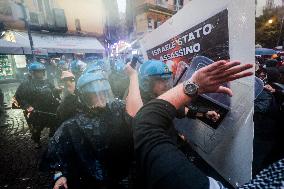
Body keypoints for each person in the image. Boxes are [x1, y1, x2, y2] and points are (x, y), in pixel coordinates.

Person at [133, 60, 284, 188]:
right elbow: (141, 120)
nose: (166, 85)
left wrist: (203, 114)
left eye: (168, 79)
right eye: (160, 80)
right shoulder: (140, 104)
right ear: (146, 84)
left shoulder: (161, 102)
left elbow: (183, 112)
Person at [47, 63, 143, 189]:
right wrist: (59, 175)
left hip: (120, 177)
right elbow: (58, 153)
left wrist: (133, 76)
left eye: (103, 92)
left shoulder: (117, 109)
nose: (101, 97)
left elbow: (137, 113)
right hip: (89, 182)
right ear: (84, 96)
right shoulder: (73, 123)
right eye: (95, 94)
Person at [15, 61, 61, 148]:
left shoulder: (47, 82)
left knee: (54, 123)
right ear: (32, 73)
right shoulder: (25, 84)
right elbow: (18, 98)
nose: (41, 73)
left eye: (42, 71)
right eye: (38, 71)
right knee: (36, 128)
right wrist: (28, 106)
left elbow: (53, 91)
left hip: (49, 108)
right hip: (35, 111)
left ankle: (52, 138)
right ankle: (36, 141)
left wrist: (57, 90)